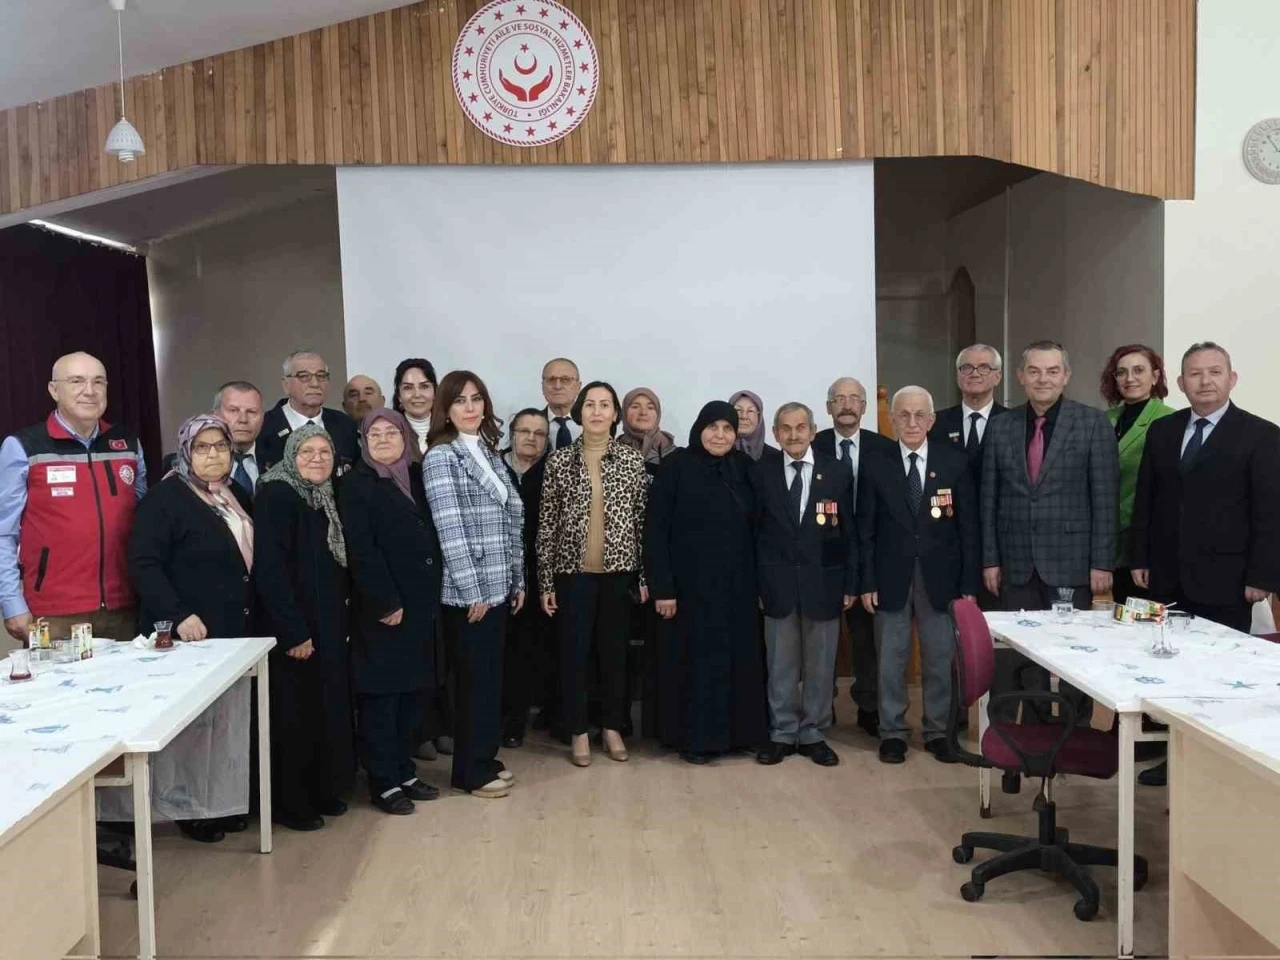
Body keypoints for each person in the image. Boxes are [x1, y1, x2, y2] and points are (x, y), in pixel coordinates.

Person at [127, 413, 256, 843]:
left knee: (226, 722)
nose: (213, 455)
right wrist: (179, 614)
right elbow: (144, 565)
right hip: (190, 632)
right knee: (195, 728)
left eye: (221, 446)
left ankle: (222, 802)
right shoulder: (165, 499)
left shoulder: (234, 493)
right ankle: (190, 809)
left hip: (233, 627)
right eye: (202, 447)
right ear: (185, 451)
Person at [982, 340, 1118, 723]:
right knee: (1020, 657)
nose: (1043, 379)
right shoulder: (1001, 426)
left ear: (1066, 376)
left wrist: (1102, 563)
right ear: (1021, 377)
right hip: (1016, 565)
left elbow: (1105, 498)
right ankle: (1027, 736)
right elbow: (988, 497)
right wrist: (990, 558)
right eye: (1035, 371)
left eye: (1052, 371)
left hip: (1072, 565)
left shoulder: (1092, 423)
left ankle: (1073, 733)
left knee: (1074, 655)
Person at [857, 387, 978, 764]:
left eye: (919, 415)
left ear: (931, 420)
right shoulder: (876, 463)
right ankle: (892, 732)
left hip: (942, 578)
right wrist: (866, 581)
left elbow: (969, 530)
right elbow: (865, 530)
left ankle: (938, 732)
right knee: (890, 660)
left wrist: (969, 584)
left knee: (940, 659)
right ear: (893, 420)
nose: (912, 422)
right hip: (889, 577)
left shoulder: (954, 461)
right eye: (904, 415)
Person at [422, 371, 525, 799]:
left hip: (500, 586)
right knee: (472, 685)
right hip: (470, 595)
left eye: (476, 398)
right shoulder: (441, 456)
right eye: (460, 400)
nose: (470, 407)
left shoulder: (487, 451)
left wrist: (518, 579)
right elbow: (450, 530)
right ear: (445, 409)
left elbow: (511, 518)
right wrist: (472, 592)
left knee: (489, 682)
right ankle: (469, 771)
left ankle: (484, 756)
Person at [646, 401, 766, 764]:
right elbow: (655, 531)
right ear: (700, 428)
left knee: (739, 662)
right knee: (697, 664)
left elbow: (761, 528)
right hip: (689, 592)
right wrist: (663, 589)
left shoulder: (744, 467)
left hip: (738, 590)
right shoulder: (676, 467)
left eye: (728, 428)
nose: (720, 435)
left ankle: (741, 735)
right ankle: (697, 740)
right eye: (713, 427)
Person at [1, 352, 147, 645]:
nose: (89, 391)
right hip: (54, 613)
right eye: (77, 381)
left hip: (124, 607)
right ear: (54, 390)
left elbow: (145, 520)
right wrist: (11, 603)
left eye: (98, 382)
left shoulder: (127, 445)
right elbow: (4, 532)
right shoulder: (24, 447)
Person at [538, 381, 648, 767]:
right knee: (575, 655)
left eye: (605, 405)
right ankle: (579, 730)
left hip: (619, 574)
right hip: (573, 575)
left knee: (615, 654)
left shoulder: (631, 460)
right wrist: (546, 581)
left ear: (615, 414)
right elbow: (547, 525)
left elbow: (641, 521)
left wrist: (645, 577)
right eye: (590, 405)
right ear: (579, 412)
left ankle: (613, 726)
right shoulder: (559, 461)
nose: (597, 412)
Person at [339, 408, 442, 815]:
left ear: (405, 437)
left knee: (412, 694)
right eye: (374, 434)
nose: (383, 439)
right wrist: (385, 601)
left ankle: (404, 770)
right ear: (363, 442)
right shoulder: (356, 484)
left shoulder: (416, 475)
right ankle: (383, 781)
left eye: (391, 432)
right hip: (384, 609)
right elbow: (361, 550)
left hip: (420, 605)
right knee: (382, 698)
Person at [254, 424, 355, 830]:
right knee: (294, 717)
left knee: (324, 711)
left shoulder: (325, 495)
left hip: (327, 625)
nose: (317, 458)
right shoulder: (277, 494)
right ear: (290, 456)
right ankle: (294, 803)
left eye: (324, 452)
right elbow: (271, 570)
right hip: (295, 629)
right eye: (306, 451)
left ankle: (323, 790)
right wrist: (294, 632)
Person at [751, 402, 858, 766]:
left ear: (813, 431)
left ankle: (813, 732)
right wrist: (758, 585)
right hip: (776, 584)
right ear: (775, 434)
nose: (793, 435)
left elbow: (849, 532)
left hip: (824, 583)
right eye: (786, 428)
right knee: (780, 664)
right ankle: (782, 732)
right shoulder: (762, 473)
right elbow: (754, 535)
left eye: (800, 428)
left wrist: (850, 583)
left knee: (821, 665)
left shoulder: (837, 471)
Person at [813, 376, 896, 736]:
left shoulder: (885, 448)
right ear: (828, 407)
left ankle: (869, 706)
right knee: (822, 638)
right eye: (839, 399)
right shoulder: (811, 445)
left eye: (853, 398)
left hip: (872, 552)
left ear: (864, 406)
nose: (846, 405)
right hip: (824, 555)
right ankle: (822, 705)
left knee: (867, 636)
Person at [1099, 345, 1176, 604]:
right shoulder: (1105, 419)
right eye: (1121, 372)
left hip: (1147, 539)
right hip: (1111, 539)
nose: (1129, 378)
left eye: (1138, 370)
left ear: (1155, 376)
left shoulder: (1169, 420)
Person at [500, 408, 553, 747]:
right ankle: (498, 716)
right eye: (525, 431)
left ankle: (518, 720)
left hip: (539, 573)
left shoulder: (552, 471)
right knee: (500, 649)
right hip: (497, 572)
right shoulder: (494, 468)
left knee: (531, 648)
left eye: (539, 433)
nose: (531, 438)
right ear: (512, 434)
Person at [258, 350, 360, 473]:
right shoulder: (263, 426)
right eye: (304, 376)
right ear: (286, 385)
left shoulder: (345, 425)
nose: (315, 384)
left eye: (321, 376)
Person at [214, 381, 265, 500]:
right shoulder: (193, 466)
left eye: (252, 412)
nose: (243, 419)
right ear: (215, 416)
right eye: (233, 410)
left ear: (263, 418)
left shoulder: (278, 460)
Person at [618, 387, 678, 472]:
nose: (643, 412)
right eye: (635, 407)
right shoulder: (611, 452)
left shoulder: (674, 455)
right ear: (624, 413)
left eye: (650, 408)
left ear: (658, 414)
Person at [392, 359, 437, 463]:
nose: (417, 394)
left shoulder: (450, 430)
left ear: (435, 392)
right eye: (408, 388)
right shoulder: (389, 434)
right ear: (399, 396)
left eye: (424, 386)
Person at [542, 358, 582, 452]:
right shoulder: (529, 425)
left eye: (565, 379)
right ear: (542, 386)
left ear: (578, 386)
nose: (558, 386)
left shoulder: (593, 423)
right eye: (551, 379)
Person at [730, 389, 780, 462]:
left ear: (759, 417)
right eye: (738, 410)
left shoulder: (776, 458)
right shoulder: (717, 452)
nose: (744, 416)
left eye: (750, 411)